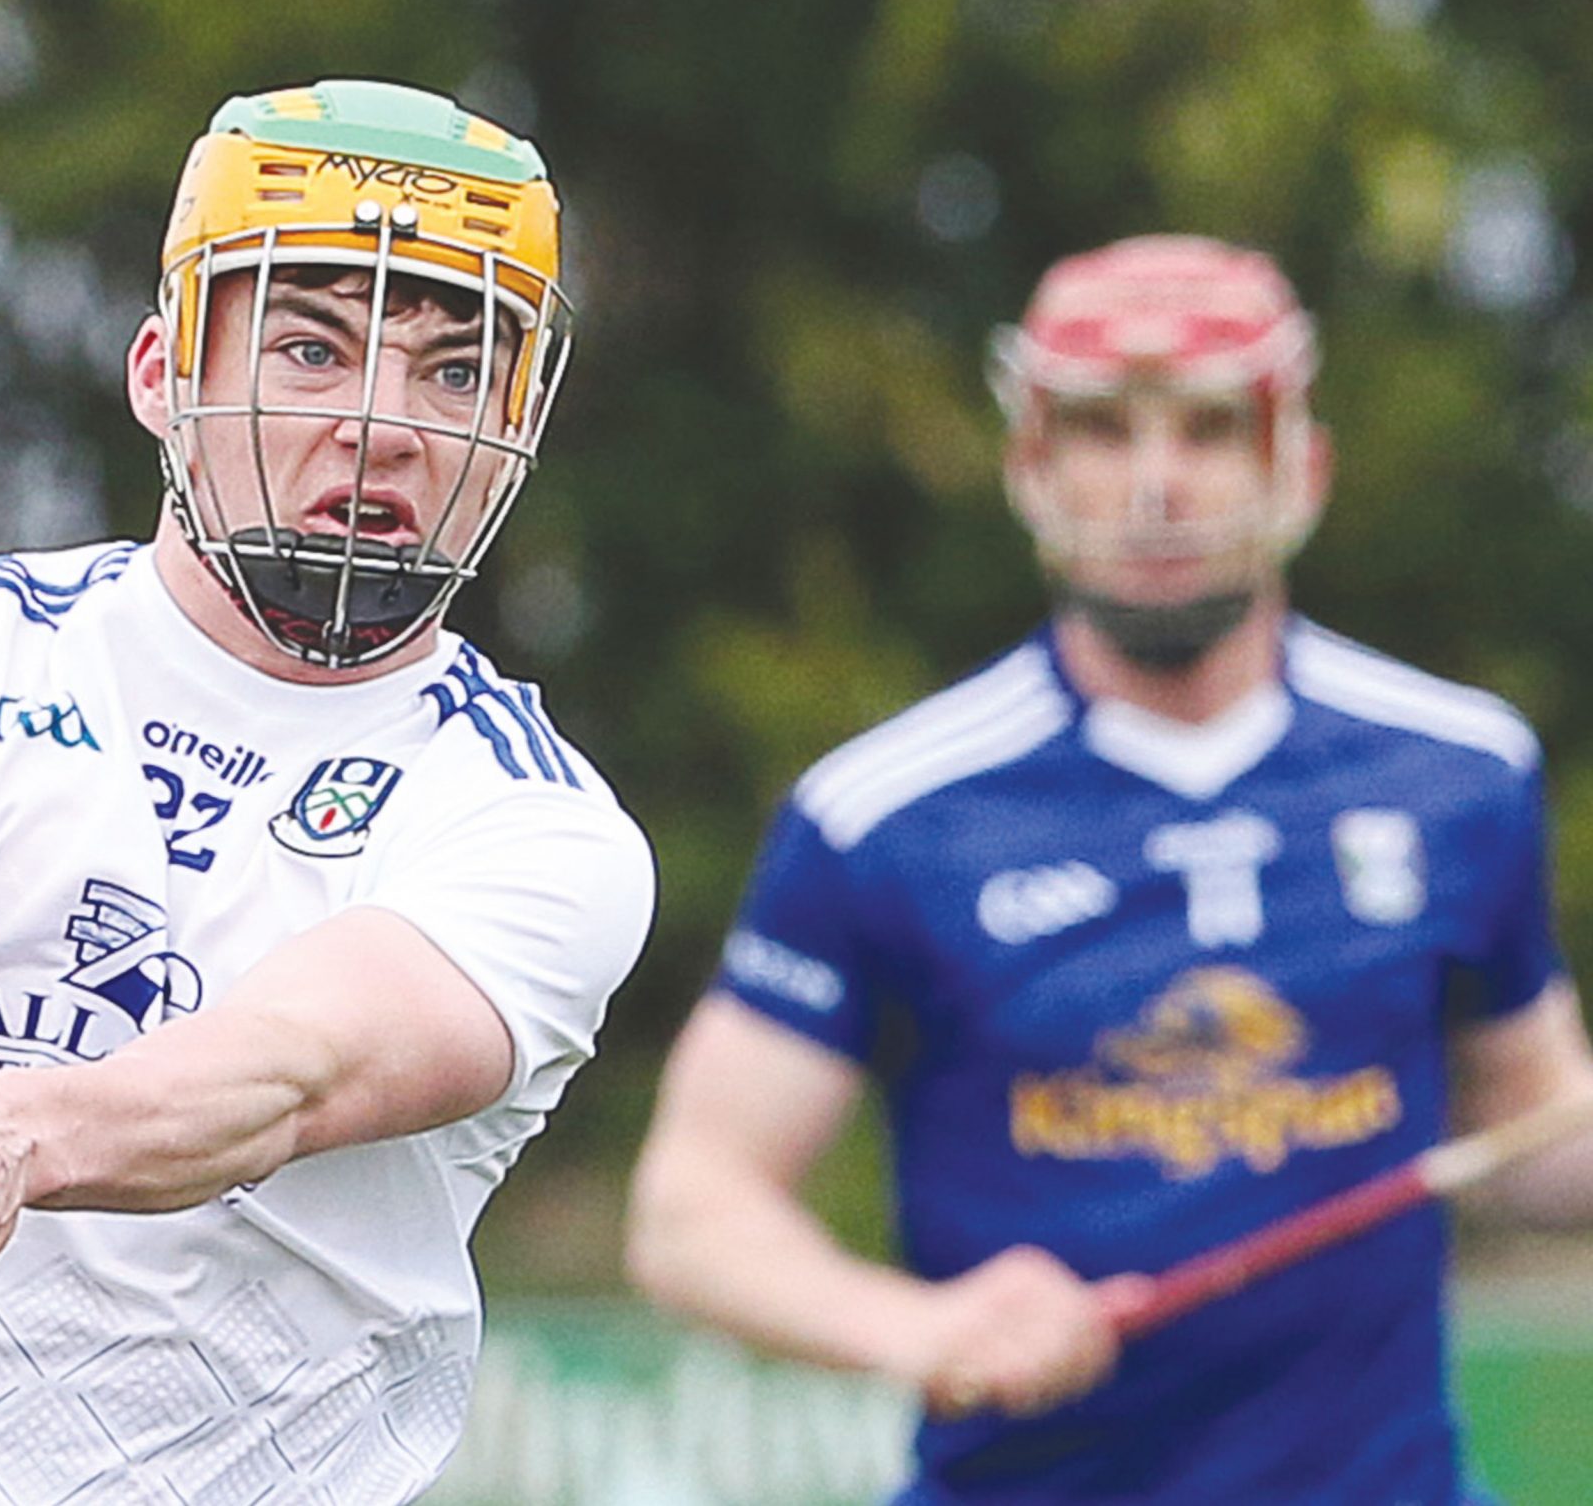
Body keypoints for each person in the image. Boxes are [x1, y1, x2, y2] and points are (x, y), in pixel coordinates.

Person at [0, 78, 653, 1505]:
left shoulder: (539, 826)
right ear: (160, 373)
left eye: (452, 372)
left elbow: (277, 1076)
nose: (385, 425)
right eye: (312, 348)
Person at [624, 235, 1593, 1504]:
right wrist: (922, 1329)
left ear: (1299, 465)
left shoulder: (1463, 771)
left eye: (1209, 427)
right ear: (1029, 468)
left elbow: (1535, 1133)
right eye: (1098, 430)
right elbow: (691, 1210)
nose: (1154, 484)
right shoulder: (881, 816)